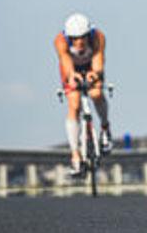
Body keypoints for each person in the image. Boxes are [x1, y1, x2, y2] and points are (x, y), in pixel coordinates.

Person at [54, 13, 112, 175]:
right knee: (74, 104)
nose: (79, 42)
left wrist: (95, 74)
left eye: (83, 38)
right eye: (74, 39)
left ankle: (105, 127)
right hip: (71, 68)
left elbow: (98, 59)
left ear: (89, 34)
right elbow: (65, 60)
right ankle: (75, 155)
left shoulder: (98, 37)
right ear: (68, 37)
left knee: (96, 94)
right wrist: (72, 75)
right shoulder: (60, 41)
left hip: (91, 66)